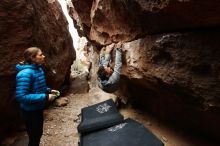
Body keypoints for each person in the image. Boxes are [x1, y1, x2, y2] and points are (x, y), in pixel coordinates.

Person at [15, 47, 60, 146]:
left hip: (37, 108)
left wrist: (49, 90)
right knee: (34, 138)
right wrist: (45, 97)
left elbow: (38, 87)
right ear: (33, 58)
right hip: (29, 111)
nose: (43, 56)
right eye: (40, 55)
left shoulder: (38, 69)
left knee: (38, 134)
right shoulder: (25, 73)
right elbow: (21, 96)